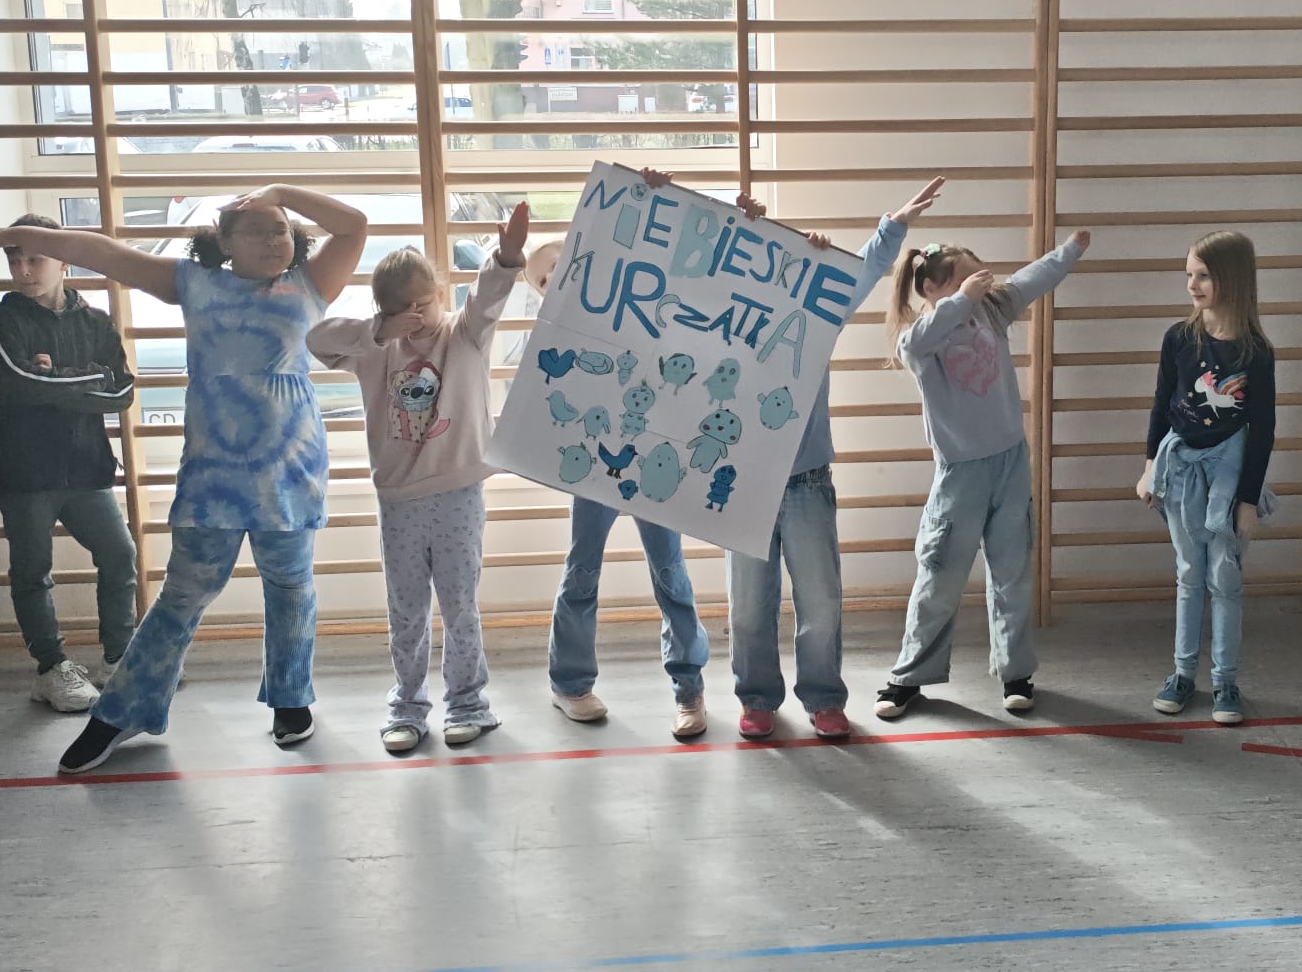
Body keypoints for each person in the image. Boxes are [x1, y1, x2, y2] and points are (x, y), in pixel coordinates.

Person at [0, 184, 369, 774]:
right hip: (213, 472)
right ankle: (124, 710)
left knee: (290, 586)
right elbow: (101, 251)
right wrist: (24, 237)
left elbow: (354, 224)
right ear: (224, 241)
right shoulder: (193, 282)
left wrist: (279, 191)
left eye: (281, 229)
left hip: (290, 465)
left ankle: (291, 699)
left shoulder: (310, 283)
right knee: (183, 592)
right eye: (256, 230)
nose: (274, 239)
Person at [727, 177, 944, 741]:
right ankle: (757, 697)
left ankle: (823, 697)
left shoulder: (813, 314)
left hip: (806, 480)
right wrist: (738, 221)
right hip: (743, 482)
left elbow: (862, 271)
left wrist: (893, 225)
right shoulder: (723, 319)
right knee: (748, 608)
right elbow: (700, 271)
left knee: (821, 602)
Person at [307, 203, 528, 754]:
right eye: (400, 308)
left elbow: (488, 298)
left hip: (458, 492)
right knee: (405, 609)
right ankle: (406, 705)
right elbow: (317, 339)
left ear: (439, 294)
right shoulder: (374, 349)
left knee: (459, 605)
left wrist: (505, 257)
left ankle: (468, 703)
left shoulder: (464, 334)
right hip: (399, 499)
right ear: (381, 310)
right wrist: (378, 330)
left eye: (423, 303)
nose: (415, 316)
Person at [874, 228, 1089, 720]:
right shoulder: (920, 339)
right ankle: (908, 677)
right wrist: (961, 299)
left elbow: (1031, 280)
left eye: (981, 278)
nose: (979, 287)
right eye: (965, 280)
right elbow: (916, 341)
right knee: (940, 577)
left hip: (1009, 463)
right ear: (931, 289)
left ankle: (1017, 673)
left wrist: (1069, 250)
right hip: (960, 474)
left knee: (1012, 573)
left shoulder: (989, 311)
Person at [528, 169, 711, 740]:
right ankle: (570, 683)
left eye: (559, 266)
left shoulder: (631, 300)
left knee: (670, 573)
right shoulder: (549, 333)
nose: (553, 278)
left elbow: (670, 270)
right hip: (595, 467)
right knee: (581, 571)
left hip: (652, 457)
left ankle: (689, 688)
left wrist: (651, 196)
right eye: (542, 278)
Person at [0, 213, 139, 712]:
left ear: (64, 259)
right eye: (15, 260)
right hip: (23, 470)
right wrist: (88, 377)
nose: (24, 270)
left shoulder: (96, 321)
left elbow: (122, 393)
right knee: (32, 571)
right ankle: (51, 669)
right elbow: (20, 382)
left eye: (35, 259)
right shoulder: (2, 318)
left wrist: (56, 376)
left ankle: (119, 659)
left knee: (119, 556)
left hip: (87, 465)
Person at [1136, 230, 1277, 726]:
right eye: (1189, 275)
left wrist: (1247, 500)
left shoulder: (1256, 352)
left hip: (1228, 472)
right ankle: (1181, 674)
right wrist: (1151, 468)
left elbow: (1262, 430)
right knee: (1189, 573)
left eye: (1203, 276)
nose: (1192, 285)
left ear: (1232, 279)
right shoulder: (1179, 338)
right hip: (1181, 468)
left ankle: (1225, 681)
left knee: (1224, 576)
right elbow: (1162, 404)